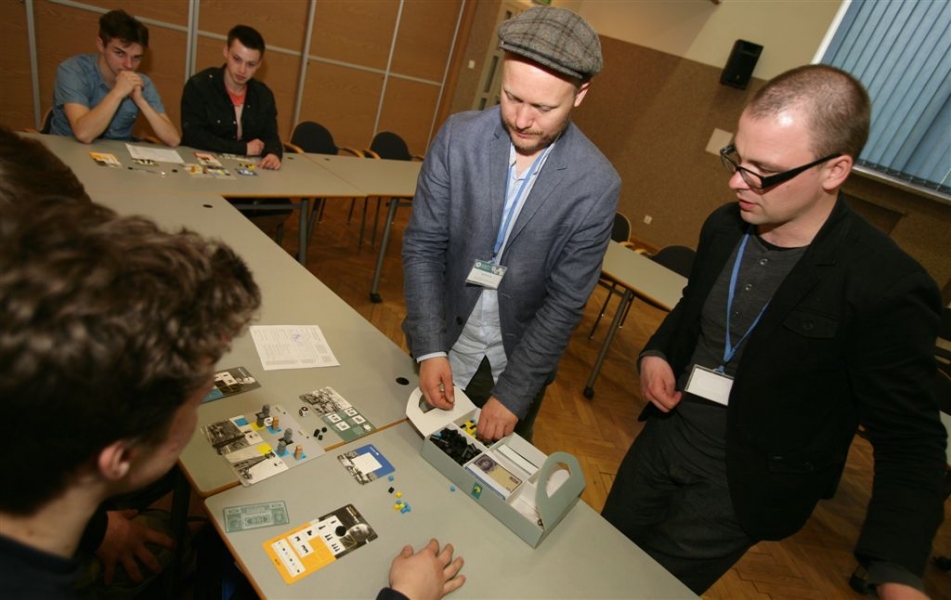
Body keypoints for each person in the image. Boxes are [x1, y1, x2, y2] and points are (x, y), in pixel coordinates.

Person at [601, 65, 946, 598]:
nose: (736, 181)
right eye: (737, 159)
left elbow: (911, 442)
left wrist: (896, 570)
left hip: (741, 489)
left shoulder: (885, 285)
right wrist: (658, 351)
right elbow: (693, 308)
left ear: (834, 170)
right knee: (596, 559)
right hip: (662, 445)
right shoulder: (725, 226)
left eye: (764, 171)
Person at [402, 6, 620, 443]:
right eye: (512, 97)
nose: (521, 120)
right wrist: (429, 347)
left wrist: (515, 393)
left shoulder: (597, 184)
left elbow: (565, 302)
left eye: (542, 107)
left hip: (517, 363)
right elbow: (423, 246)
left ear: (580, 94)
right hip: (445, 339)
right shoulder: (458, 138)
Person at [49, 9, 180, 146]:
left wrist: (141, 102)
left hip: (116, 155)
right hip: (68, 151)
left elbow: (173, 139)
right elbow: (84, 134)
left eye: (136, 58)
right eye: (120, 53)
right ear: (101, 45)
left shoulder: (141, 82)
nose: (128, 65)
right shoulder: (73, 70)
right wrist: (118, 93)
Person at [181, 24, 282, 170]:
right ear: (226, 51)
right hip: (198, 164)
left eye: (251, 64)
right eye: (237, 59)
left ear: (259, 64)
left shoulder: (263, 95)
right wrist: (243, 148)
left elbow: (270, 135)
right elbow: (194, 135)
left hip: (244, 170)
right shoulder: (199, 86)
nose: (242, 70)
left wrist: (273, 153)